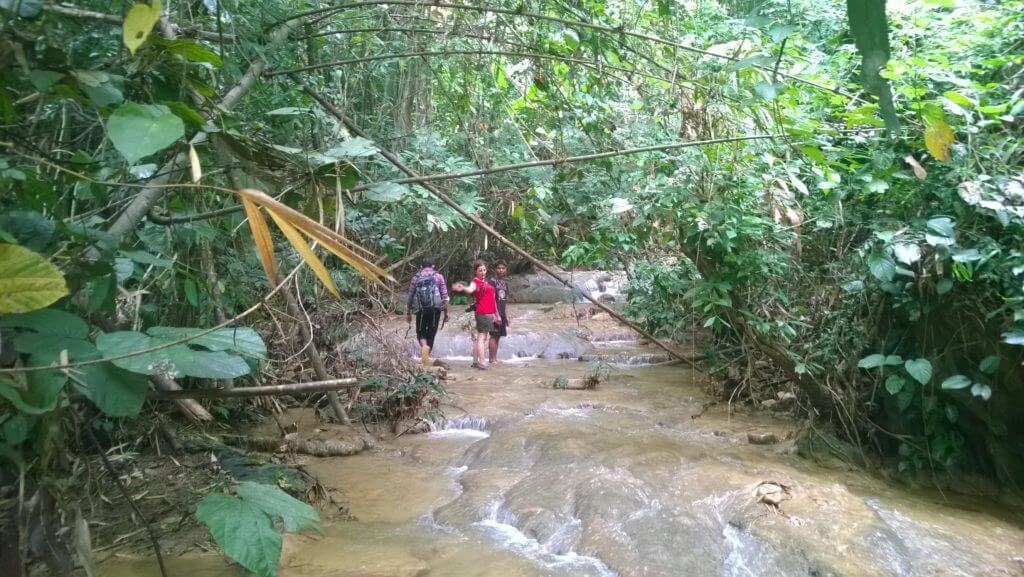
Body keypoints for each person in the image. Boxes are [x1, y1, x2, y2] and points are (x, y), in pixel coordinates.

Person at [452, 260, 499, 370]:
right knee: (482, 338)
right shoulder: (475, 281)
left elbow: (492, 299)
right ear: (475, 272)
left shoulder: (485, 282)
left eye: (484, 270)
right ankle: (482, 362)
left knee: (479, 337)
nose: (483, 272)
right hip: (482, 312)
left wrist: (496, 314)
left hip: (488, 312)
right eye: (480, 270)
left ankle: (475, 362)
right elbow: (470, 289)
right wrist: (463, 288)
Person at [407, 257, 450, 365]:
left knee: (420, 332)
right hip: (435, 309)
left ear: (421, 267)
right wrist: (447, 312)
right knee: (431, 332)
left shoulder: (416, 278)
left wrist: (408, 312)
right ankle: (426, 356)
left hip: (421, 310)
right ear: (433, 266)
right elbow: (445, 296)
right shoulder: (438, 277)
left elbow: (410, 296)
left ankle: (424, 351)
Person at [488, 260, 510, 364]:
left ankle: (494, 358)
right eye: (499, 268)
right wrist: (495, 315)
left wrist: (506, 315)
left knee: (498, 336)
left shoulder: (505, 283)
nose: (501, 270)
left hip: (501, 313)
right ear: (495, 269)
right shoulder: (492, 281)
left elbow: (505, 300)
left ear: (506, 270)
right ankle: (492, 359)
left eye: (503, 268)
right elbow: (491, 299)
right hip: (494, 313)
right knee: (493, 335)